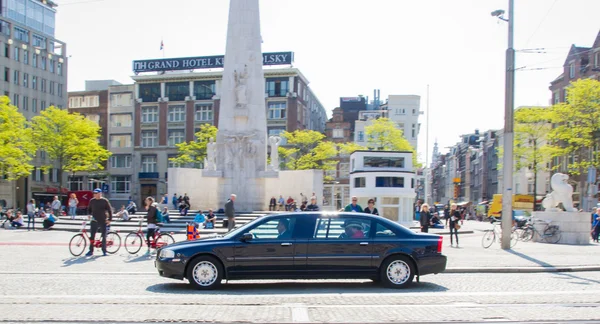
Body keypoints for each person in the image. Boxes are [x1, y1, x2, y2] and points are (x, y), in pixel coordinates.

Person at [86, 188, 113, 256]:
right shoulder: (92, 201)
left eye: (96, 193)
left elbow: (109, 210)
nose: (95, 194)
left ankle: (104, 250)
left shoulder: (104, 201)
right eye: (94, 193)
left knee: (104, 235)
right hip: (94, 220)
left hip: (102, 220)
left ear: (100, 194)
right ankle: (91, 250)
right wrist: (89, 214)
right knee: (92, 236)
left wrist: (109, 219)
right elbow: (89, 209)